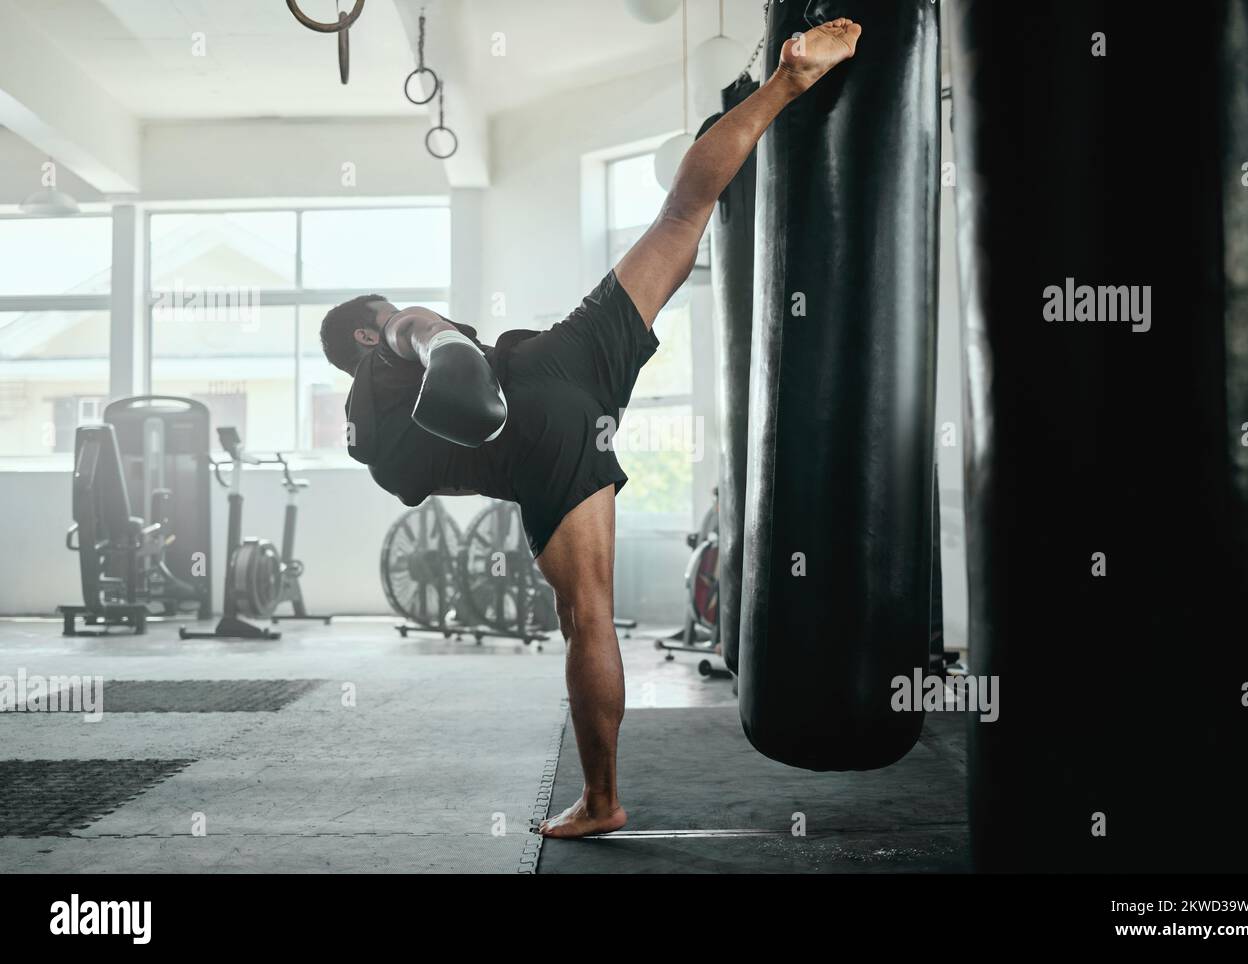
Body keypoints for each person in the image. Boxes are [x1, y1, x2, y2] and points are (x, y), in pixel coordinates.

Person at [318, 19, 862, 839]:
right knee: (683, 214)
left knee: (590, 617)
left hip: (534, 432)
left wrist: (460, 382)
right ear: (361, 334)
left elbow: (416, 457)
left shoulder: (372, 414)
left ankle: (603, 801)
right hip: (565, 360)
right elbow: (415, 329)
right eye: (380, 315)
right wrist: (439, 345)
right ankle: (786, 84)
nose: (392, 314)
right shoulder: (385, 348)